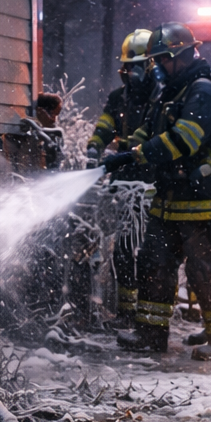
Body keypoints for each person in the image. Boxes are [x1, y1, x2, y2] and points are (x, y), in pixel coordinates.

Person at [102, 23, 211, 359]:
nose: (158, 66)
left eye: (162, 59)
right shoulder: (170, 92)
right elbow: (147, 131)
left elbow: (184, 140)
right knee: (154, 262)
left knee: (206, 270)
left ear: (180, 55)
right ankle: (151, 334)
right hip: (171, 199)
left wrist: (137, 155)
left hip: (205, 200)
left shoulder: (203, 92)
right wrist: (122, 153)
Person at [85, 30, 155, 325]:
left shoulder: (162, 98)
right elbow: (105, 126)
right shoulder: (118, 98)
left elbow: (151, 136)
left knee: (152, 255)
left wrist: (125, 153)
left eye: (136, 67)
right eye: (126, 68)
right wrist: (93, 148)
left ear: (150, 66)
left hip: (152, 184)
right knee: (123, 251)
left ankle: (149, 313)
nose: (130, 74)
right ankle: (127, 312)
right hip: (123, 183)